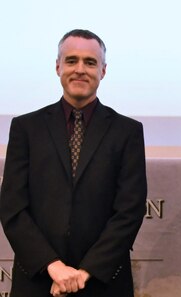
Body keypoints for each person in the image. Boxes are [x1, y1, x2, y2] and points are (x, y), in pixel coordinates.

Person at [0, 29, 147, 297]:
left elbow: (130, 211)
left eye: (90, 62)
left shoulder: (127, 132)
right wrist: (53, 267)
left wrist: (85, 272)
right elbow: (13, 209)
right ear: (58, 67)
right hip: (37, 280)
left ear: (103, 71)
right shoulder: (25, 128)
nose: (80, 69)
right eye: (71, 61)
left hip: (103, 282)